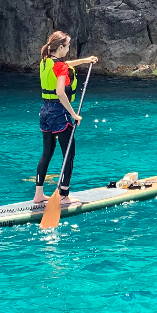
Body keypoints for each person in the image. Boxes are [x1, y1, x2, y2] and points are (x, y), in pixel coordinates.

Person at [34, 31, 97, 208]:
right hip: (59, 113)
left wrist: (85, 61)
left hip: (44, 111)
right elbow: (61, 92)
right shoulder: (59, 67)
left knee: (47, 152)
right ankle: (63, 195)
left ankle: (39, 194)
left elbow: (63, 65)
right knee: (68, 153)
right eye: (67, 46)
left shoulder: (45, 61)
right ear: (60, 47)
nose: (69, 49)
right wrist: (74, 115)